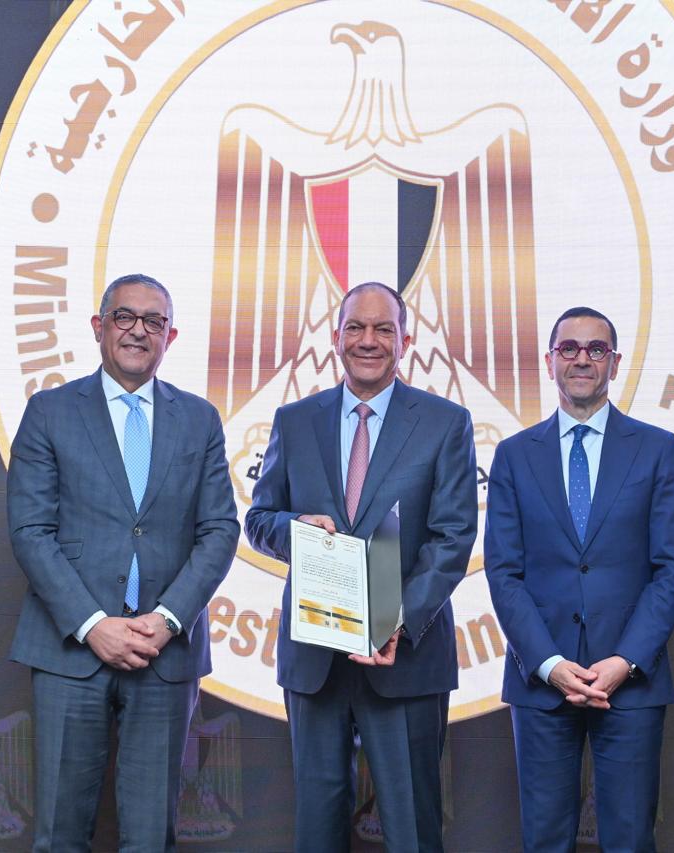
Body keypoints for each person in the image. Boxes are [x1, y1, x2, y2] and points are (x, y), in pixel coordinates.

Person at [7, 273, 239, 851]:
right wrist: (92, 625)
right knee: (60, 834)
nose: (139, 331)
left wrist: (167, 619)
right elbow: (31, 531)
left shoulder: (200, 419)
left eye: (154, 321)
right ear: (99, 326)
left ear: (171, 336)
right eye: (125, 317)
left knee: (151, 837)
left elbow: (219, 530)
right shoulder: (49, 412)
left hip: (165, 654)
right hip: (69, 653)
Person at [245, 282, 477, 852]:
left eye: (382, 329)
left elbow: (452, 537)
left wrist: (395, 620)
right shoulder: (295, 420)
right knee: (316, 829)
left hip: (404, 657)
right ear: (336, 337)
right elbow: (259, 520)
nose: (367, 340)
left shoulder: (446, 422)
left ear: (406, 341)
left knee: (413, 827)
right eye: (355, 327)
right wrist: (296, 528)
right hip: (314, 659)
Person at [485, 307, 674, 853]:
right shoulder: (513, 456)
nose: (582, 359)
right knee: (545, 840)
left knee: (630, 839)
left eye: (596, 349)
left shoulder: (657, 449)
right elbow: (503, 572)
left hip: (631, 682)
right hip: (541, 682)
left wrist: (625, 661)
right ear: (549, 361)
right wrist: (548, 664)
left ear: (615, 363)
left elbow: (672, 568)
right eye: (569, 348)